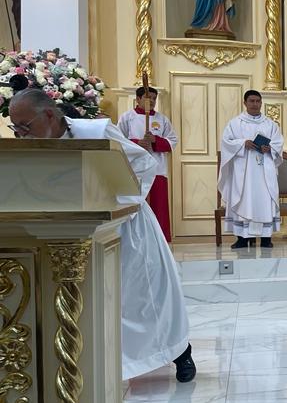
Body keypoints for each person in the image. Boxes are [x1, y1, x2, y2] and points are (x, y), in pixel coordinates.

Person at [9, 89, 194, 382]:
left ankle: (180, 352)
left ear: (48, 114)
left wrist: (117, 208)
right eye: (14, 129)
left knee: (146, 296)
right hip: (73, 234)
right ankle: (104, 365)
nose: (21, 136)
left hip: (127, 225)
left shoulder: (96, 131)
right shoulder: (35, 147)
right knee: (103, 303)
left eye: (24, 127)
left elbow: (142, 163)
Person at [218, 90, 283, 248]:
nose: (255, 104)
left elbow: (278, 143)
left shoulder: (270, 124)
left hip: (264, 170)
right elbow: (226, 142)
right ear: (245, 103)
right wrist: (242, 143)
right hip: (243, 172)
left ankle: (266, 238)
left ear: (261, 103)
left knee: (265, 199)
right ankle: (242, 238)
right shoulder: (235, 123)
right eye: (252, 101)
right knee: (243, 199)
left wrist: (271, 149)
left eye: (258, 101)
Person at [117, 87, 178, 242]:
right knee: (137, 204)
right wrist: (137, 143)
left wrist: (156, 141)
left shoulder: (162, 119)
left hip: (157, 168)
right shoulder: (127, 118)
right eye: (147, 97)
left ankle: (160, 239)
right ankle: (136, 238)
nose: (150, 101)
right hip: (134, 169)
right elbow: (118, 141)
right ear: (137, 99)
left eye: (153, 98)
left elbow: (173, 141)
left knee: (159, 206)